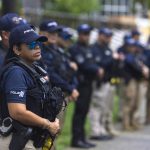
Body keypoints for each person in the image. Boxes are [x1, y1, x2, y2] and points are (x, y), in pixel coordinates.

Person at [0, 24, 60, 150]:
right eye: (31, 44)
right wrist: (48, 124)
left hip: (34, 137)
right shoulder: (16, 73)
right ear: (17, 49)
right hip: (17, 139)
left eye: (38, 43)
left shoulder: (34, 68)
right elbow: (17, 112)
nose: (37, 46)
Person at [69, 24, 104, 148]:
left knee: (84, 112)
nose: (87, 36)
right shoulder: (75, 48)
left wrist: (96, 68)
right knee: (79, 112)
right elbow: (83, 64)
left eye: (88, 34)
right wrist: (97, 69)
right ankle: (76, 139)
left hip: (89, 83)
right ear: (79, 34)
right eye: (84, 34)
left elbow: (92, 62)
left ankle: (82, 138)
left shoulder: (88, 48)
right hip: (81, 84)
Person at [89, 28, 121, 141]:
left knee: (104, 107)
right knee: (97, 106)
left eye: (109, 36)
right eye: (106, 36)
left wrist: (116, 59)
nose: (108, 38)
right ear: (100, 36)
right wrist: (112, 58)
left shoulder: (107, 48)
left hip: (108, 81)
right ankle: (95, 131)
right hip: (98, 82)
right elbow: (100, 63)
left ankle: (101, 129)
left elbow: (111, 65)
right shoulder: (94, 48)